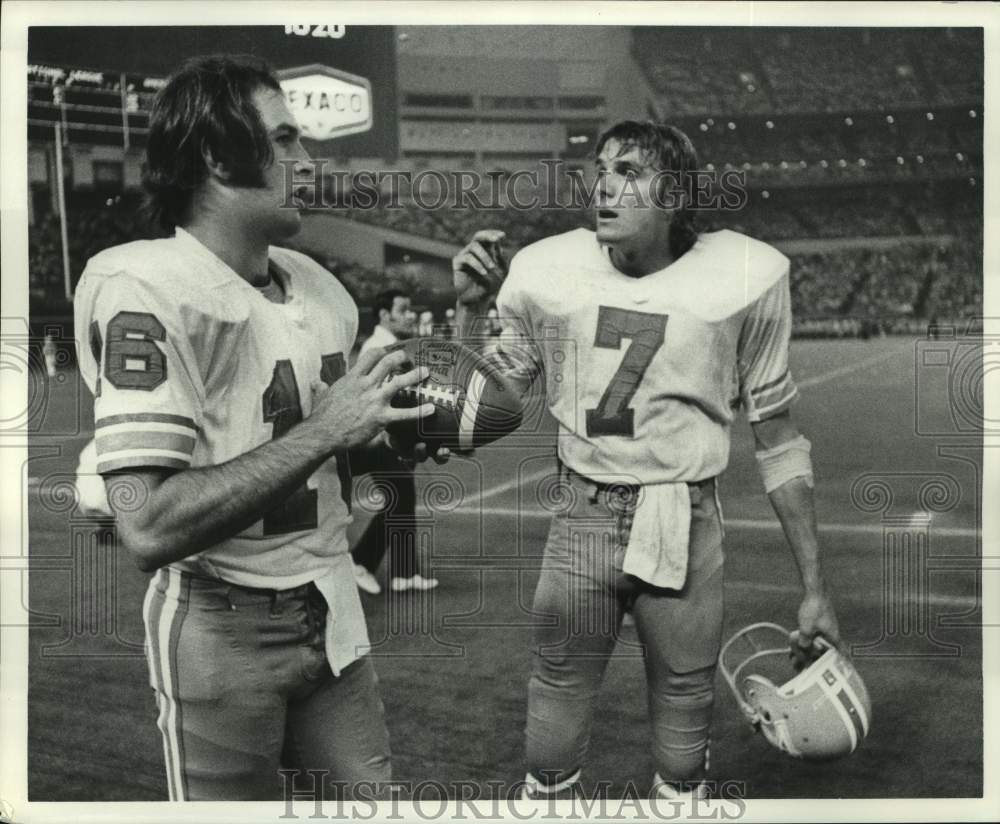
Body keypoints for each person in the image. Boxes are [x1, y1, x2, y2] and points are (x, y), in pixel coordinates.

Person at [73, 55, 442, 801]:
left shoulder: (320, 288)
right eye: (285, 140)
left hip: (333, 609)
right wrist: (330, 428)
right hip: (221, 621)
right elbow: (146, 523)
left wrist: (405, 427)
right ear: (217, 155)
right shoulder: (146, 283)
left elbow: (337, 449)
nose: (308, 160)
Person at [451, 121, 841, 801]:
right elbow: (478, 416)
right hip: (581, 516)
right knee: (548, 744)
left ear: (676, 195)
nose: (605, 183)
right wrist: (465, 311)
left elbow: (778, 440)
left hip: (685, 519)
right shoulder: (547, 271)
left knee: (684, 749)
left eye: (630, 170)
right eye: (601, 168)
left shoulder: (747, 275)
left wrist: (815, 586)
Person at [351, 288, 440, 595]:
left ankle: (405, 572)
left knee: (401, 499)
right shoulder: (377, 348)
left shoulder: (395, 346)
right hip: (378, 437)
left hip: (395, 436)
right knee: (399, 496)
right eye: (403, 309)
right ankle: (360, 561)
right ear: (385, 315)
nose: (410, 315)